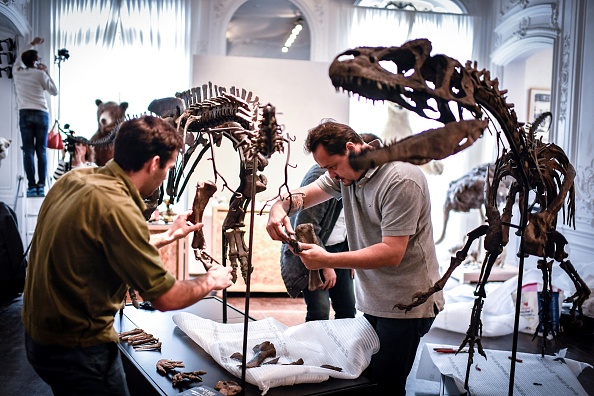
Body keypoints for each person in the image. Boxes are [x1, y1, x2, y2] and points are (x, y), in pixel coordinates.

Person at [22, 115, 234, 395]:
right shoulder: (118, 206)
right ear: (154, 163)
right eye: (168, 167)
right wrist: (211, 280)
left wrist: (170, 235)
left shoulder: (74, 180)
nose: (164, 176)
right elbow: (165, 298)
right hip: (79, 350)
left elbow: (100, 242)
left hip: (38, 340)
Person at [266, 120, 444, 395]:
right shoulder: (348, 174)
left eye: (333, 166)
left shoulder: (400, 179)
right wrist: (280, 207)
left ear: (351, 148)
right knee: (366, 380)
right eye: (327, 169)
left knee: (387, 386)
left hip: (408, 302)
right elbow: (306, 195)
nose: (331, 175)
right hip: (374, 299)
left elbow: (392, 252)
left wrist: (327, 260)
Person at [280, 133, 381, 322]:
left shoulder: (359, 180)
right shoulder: (328, 177)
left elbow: (353, 223)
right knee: (319, 311)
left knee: (348, 309)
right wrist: (326, 265)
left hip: (340, 249)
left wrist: (352, 256)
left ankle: (340, 350)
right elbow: (305, 226)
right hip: (313, 248)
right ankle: (315, 351)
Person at [13, 37, 58, 197]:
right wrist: (46, 72)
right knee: (41, 151)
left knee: (28, 151)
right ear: (36, 61)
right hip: (41, 113)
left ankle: (31, 186)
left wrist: (33, 44)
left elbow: (19, 57)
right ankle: (40, 186)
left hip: (25, 113)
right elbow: (54, 91)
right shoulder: (40, 74)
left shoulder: (17, 71)